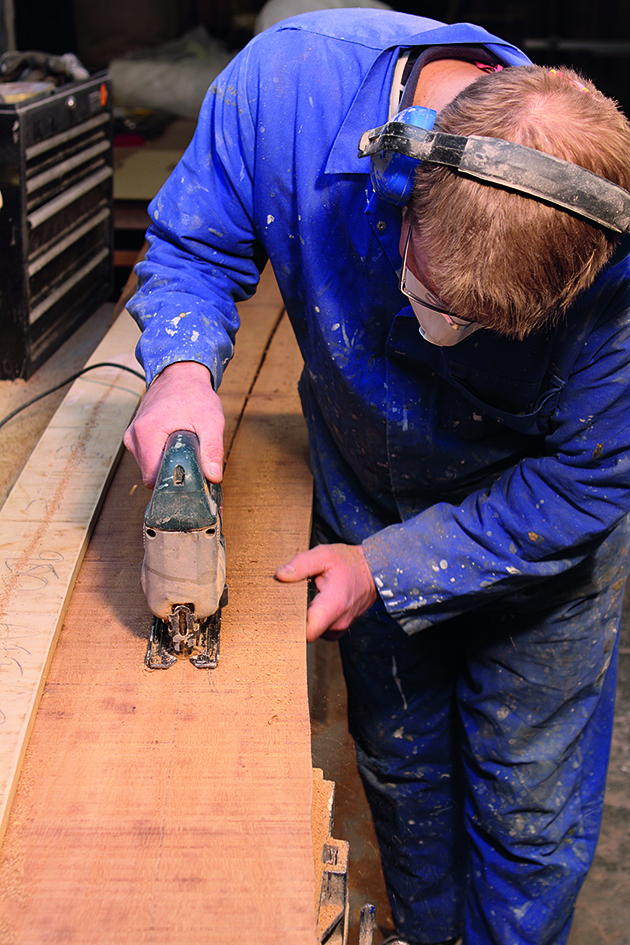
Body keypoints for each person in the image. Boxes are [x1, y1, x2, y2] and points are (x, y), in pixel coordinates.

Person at [122, 10, 630, 944]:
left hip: (539, 548)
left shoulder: (617, 276)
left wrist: (386, 565)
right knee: (401, 771)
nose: (443, 328)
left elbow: (584, 485)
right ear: (401, 183)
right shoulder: (289, 89)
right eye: (434, 295)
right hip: (366, 489)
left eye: (486, 327)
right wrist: (183, 373)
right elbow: (196, 247)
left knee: (529, 814)